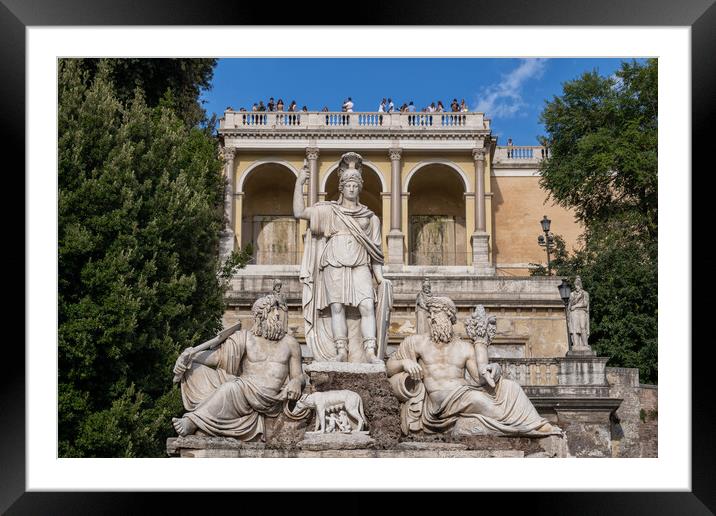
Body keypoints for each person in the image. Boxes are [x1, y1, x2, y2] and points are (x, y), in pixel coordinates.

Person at [386, 296, 562, 436]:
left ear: (448, 316)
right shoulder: (416, 342)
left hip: (463, 393)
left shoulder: (464, 348)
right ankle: (529, 426)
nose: (430, 317)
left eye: (434, 312)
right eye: (429, 313)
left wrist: (495, 369)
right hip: (440, 402)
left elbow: (481, 378)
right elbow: (389, 367)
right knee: (477, 400)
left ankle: (533, 423)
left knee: (511, 387)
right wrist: (405, 363)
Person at [294, 152, 389, 364]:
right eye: (348, 185)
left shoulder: (370, 217)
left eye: (355, 185)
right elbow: (299, 212)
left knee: (366, 306)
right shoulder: (329, 211)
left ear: (360, 188)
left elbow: (376, 252)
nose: (352, 188)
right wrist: (300, 183)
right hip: (333, 261)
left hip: (360, 261)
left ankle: (371, 352)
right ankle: (341, 351)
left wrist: (381, 278)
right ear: (342, 187)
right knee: (337, 308)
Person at [171, 293, 305, 440]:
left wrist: (296, 382)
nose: (278, 315)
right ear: (260, 315)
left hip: (270, 398)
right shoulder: (245, 338)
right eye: (273, 310)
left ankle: (192, 422)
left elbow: (298, 375)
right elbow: (217, 357)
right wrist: (190, 357)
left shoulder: (290, 343)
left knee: (231, 388)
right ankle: (204, 422)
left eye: (279, 310)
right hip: (244, 391)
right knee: (195, 369)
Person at [567, 276, 590, 350]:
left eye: (577, 285)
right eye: (575, 285)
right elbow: (570, 305)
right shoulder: (572, 294)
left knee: (583, 327)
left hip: (582, 311)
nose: (576, 287)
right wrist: (575, 301)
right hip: (574, 313)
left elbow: (585, 304)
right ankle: (576, 345)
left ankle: (585, 344)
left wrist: (576, 305)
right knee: (574, 329)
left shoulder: (585, 293)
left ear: (580, 285)